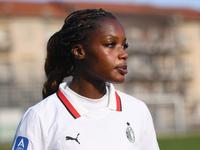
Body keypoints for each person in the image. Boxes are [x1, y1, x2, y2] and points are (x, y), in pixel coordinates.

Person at [11, 8, 160, 150]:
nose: (124, 54)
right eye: (111, 44)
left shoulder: (137, 110)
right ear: (79, 52)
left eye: (124, 45)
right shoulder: (40, 117)